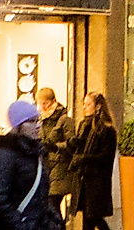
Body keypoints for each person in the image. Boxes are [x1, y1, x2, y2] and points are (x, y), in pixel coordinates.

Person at [0, 100, 66, 230]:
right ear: (19, 125)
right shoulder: (5, 153)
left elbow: (41, 195)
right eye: (31, 121)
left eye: (38, 120)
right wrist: (21, 225)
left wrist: (53, 219)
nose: (37, 126)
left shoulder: (34, 152)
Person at [73, 93, 119, 230]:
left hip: (97, 181)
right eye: (84, 104)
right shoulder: (84, 125)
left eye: (88, 104)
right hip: (84, 180)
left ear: (98, 107)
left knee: (93, 217)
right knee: (90, 218)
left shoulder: (106, 129)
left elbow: (106, 156)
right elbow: (79, 146)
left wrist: (84, 159)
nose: (84, 107)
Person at [39, 89, 77, 218]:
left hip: (61, 166)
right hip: (48, 166)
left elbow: (71, 143)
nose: (43, 107)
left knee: (53, 204)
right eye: (41, 103)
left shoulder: (64, 119)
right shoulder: (42, 119)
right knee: (50, 207)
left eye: (46, 103)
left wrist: (55, 147)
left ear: (53, 101)